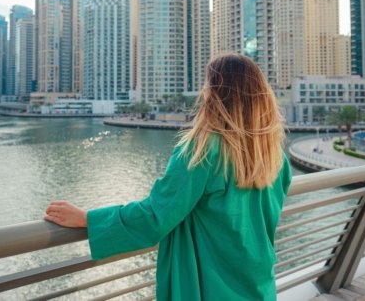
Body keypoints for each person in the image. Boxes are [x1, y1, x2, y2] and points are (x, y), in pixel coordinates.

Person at [44, 53, 292, 300]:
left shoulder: (202, 151)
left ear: (216, 94)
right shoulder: (275, 158)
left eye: (207, 85)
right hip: (257, 284)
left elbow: (156, 215)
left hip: (211, 288)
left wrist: (89, 219)